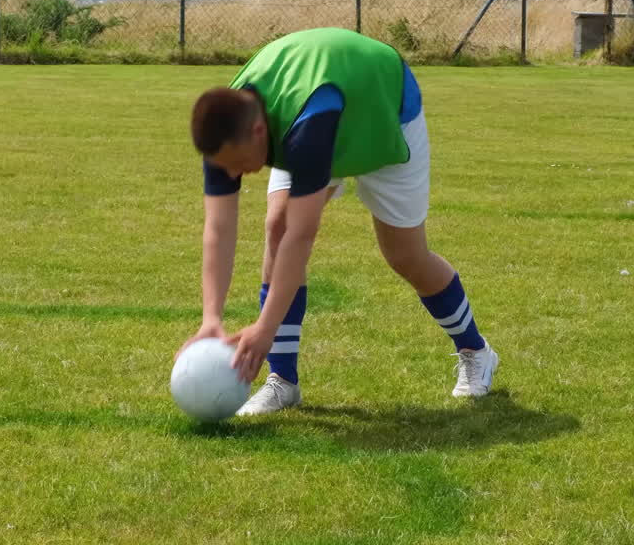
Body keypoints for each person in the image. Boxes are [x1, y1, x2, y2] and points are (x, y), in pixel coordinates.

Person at [182, 27, 499, 417]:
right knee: (275, 227)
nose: (234, 173)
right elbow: (218, 227)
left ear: (259, 130)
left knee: (405, 255)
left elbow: (304, 235)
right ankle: (283, 382)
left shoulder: (308, 129)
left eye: (235, 162)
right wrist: (210, 317)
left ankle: (476, 351)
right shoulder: (224, 126)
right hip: (322, 109)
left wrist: (264, 328)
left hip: (383, 113)